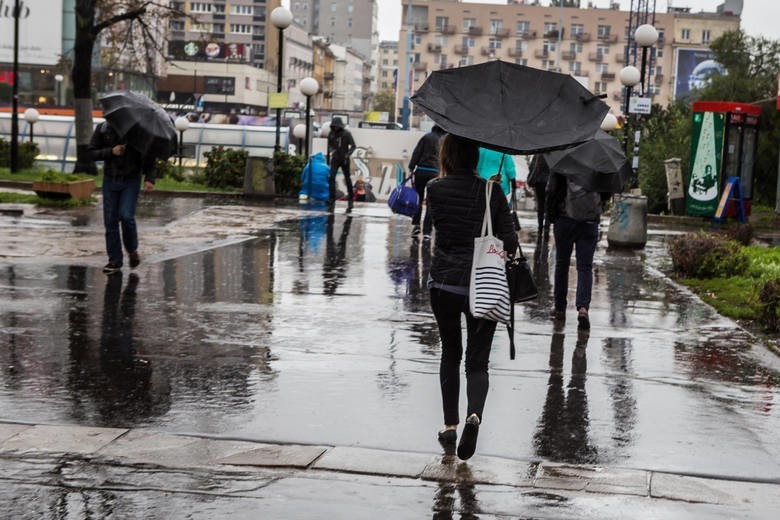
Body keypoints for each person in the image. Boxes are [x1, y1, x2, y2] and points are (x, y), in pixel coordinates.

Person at [426, 133, 519, 461]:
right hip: (485, 287)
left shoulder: (434, 189)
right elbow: (509, 242)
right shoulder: (492, 191)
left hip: (444, 285)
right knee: (477, 361)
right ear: (475, 157)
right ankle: (473, 417)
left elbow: (437, 228)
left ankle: (450, 428)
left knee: (450, 354)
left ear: (448, 156)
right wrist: (493, 203)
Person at [89, 120, 156, 275]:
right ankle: (114, 260)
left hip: (131, 181)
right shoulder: (104, 129)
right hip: (110, 180)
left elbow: (150, 158)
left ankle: (132, 250)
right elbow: (90, 153)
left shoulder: (140, 131)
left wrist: (149, 179)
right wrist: (111, 151)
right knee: (110, 221)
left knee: (126, 216)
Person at [546, 170, 610, 329]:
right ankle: (582, 308)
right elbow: (606, 193)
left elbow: (551, 189)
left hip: (564, 219)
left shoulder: (563, 160)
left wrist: (552, 216)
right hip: (589, 221)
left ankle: (560, 307)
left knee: (562, 263)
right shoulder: (597, 162)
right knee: (585, 267)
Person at [408, 124, 445, 239]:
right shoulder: (444, 141)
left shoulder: (426, 137)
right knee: (430, 202)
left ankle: (416, 225)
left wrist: (411, 168)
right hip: (435, 173)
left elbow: (417, 152)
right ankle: (427, 232)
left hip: (421, 171)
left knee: (418, 198)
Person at [476, 147, 519, 230]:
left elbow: (476, 165)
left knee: (483, 207)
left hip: (482, 181)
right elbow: (509, 167)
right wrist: (513, 181)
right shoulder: (503, 149)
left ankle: (485, 226)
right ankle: (495, 227)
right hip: (500, 181)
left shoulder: (480, 147)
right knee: (499, 208)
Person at [327, 117, 356, 204]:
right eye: (334, 126)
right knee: (331, 177)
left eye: (337, 126)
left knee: (347, 177)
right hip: (335, 158)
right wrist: (332, 150)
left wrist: (348, 154)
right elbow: (329, 145)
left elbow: (353, 146)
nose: (336, 128)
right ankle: (331, 197)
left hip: (344, 159)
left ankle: (351, 196)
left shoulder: (347, 134)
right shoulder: (331, 134)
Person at [527, 154, 551, 236]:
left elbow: (532, 167)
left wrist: (531, 179)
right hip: (550, 182)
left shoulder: (538, 153)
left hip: (539, 182)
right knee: (548, 206)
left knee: (540, 206)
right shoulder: (554, 153)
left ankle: (540, 227)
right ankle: (547, 227)